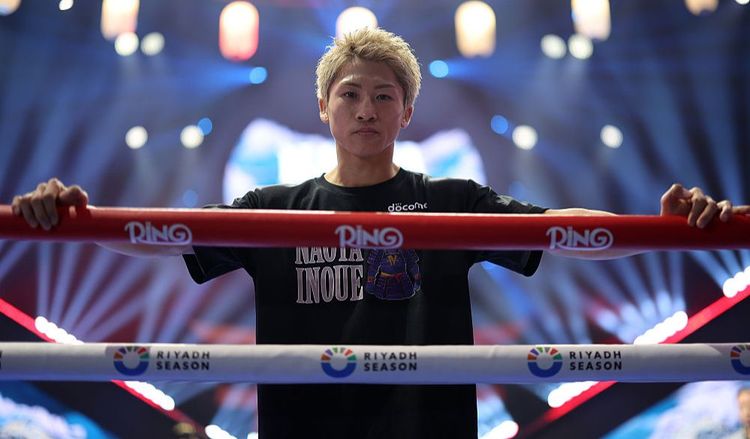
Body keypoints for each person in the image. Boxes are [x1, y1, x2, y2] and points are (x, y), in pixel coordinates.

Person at [10, 28, 749, 438]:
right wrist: (73, 216)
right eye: (351, 94)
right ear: (324, 107)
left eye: (384, 96)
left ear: (407, 112)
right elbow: (164, 234)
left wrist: (671, 229)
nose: (366, 109)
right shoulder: (275, 206)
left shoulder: (450, 202)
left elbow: (563, 231)